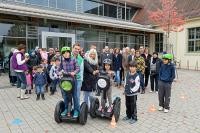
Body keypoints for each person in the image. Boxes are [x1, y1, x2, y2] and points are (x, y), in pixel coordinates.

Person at [59, 47, 80, 118]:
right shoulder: (62, 61)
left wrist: (74, 72)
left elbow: (78, 68)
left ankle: (76, 110)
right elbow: (58, 69)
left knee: (75, 96)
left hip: (73, 80)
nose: (66, 54)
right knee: (65, 95)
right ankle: (66, 108)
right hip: (65, 81)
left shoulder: (74, 59)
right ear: (62, 54)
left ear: (69, 52)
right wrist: (59, 73)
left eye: (67, 52)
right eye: (64, 53)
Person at [72, 43, 84, 111]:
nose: (77, 50)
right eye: (75, 48)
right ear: (72, 48)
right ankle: (69, 108)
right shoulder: (68, 56)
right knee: (69, 95)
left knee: (77, 95)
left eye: (78, 49)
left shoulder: (81, 59)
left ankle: (77, 109)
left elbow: (81, 70)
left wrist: (81, 80)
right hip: (69, 79)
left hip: (78, 79)